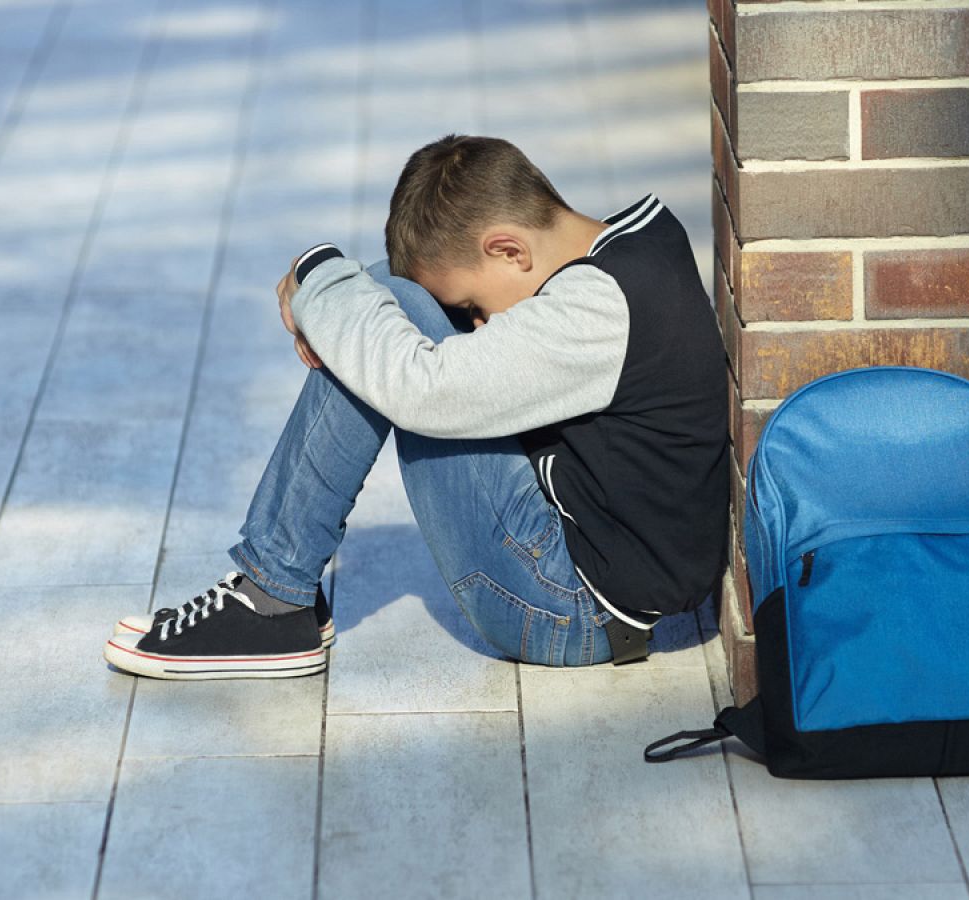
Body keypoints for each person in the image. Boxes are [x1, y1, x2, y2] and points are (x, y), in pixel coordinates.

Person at [102, 134, 729, 679]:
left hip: (571, 609)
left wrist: (317, 274)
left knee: (383, 325)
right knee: (376, 309)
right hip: (591, 573)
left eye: (471, 306)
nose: (478, 327)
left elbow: (420, 388)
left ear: (510, 250)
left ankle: (272, 598)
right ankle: (273, 592)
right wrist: (343, 307)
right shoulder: (641, 241)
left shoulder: (596, 309)